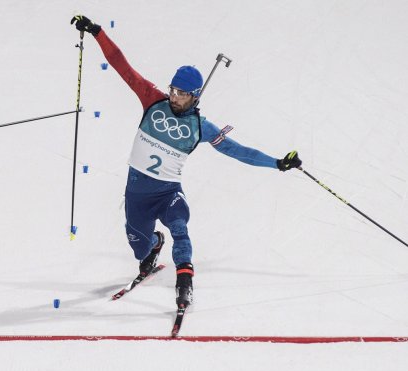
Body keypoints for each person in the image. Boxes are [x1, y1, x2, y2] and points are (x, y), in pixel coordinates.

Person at [70, 16, 302, 309]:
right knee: (138, 247)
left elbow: (239, 151)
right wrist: (97, 32)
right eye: (173, 90)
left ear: (194, 96)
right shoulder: (152, 100)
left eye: (181, 94)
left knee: (180, 228)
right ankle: (154, 244)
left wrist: (277, 163)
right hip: (136, 195)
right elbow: (121, 65)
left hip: (167, 192)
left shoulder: (201, 127)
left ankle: (185, 284)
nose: (174, 97)